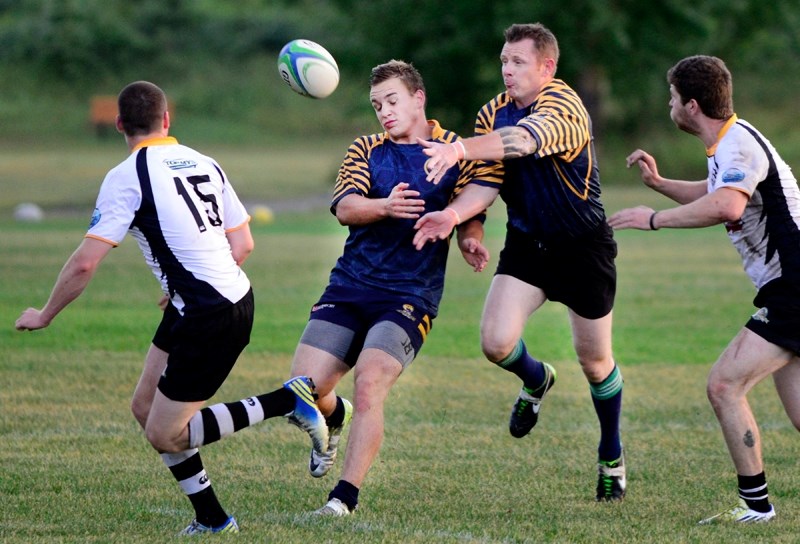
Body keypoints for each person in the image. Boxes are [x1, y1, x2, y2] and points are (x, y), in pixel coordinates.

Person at [14, 81, 330, 535]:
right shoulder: (206, 162)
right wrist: (185, 281)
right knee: (145, 408)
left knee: (164, 432)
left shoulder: (126, 175)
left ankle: (287, 400)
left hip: (210, 312)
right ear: (167, 120)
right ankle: (212, 519)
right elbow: (243, 242)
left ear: (120, 124)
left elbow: (85, 264)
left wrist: (45, 313)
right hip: (210, 300)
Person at [413, 23, 626, 501]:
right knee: (494, 342)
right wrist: (455, 217)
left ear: (547, 67)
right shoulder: (492, 111)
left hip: (584, 248)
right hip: (529, 245)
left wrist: (459, 147)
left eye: (518, 63)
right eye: (504, 62)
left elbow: (524, 142)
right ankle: (536, 378)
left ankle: (611, 453)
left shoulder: (565, 107)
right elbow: (486, 182)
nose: (507, 71)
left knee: (595, 363)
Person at [288, 60, 502, 516]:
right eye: (376, 105)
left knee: (370, 382)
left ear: (417, 98)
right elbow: (346, 208)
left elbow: (473, 207)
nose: (383, 112)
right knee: (303, 389)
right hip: (350, 285)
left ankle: (343, 498)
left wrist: (469, 238)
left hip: (409, 294)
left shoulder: (452, 150)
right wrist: (384, 206)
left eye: (392, 101)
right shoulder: (366, 148)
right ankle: (334, 415)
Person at [609, 55, 800, 524]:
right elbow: (712, 192)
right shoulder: (730, 142)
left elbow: (727, 206)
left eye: (673, 97)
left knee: (724, 385)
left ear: (691, 106)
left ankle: (757, 508)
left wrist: (652, 220)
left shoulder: (737, 147)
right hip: (790, 287)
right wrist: (659, 184)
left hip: (795, 288)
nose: (669, 104)